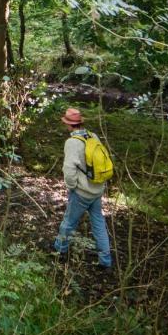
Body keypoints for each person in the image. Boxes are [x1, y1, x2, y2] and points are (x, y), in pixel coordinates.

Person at [52, 107, 112, 270]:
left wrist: (72, 188)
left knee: (69, 222)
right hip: (97, 190)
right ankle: (105, 260)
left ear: (69, 125)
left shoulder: (72, 142)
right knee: (98, 223)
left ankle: (59, 250)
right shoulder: (93, 136)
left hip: (82, 192)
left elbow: (69, 169)